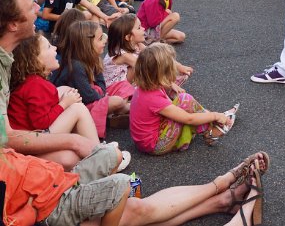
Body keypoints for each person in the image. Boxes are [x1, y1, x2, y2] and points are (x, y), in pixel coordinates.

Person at [2, 148, 269, 226]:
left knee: (135, 211)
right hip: (45, 207)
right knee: (130, 208)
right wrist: (27, 213)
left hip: (54, 186)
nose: (37, 7)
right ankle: (223, 189)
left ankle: (223, 200)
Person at [0, 0, 99, 169]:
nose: (38, 9)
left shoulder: (8, 58)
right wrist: (72, 140)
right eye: (31, 8)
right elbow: (7, 138)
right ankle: (98, 155)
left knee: (62, 92)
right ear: (13, 25)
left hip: (19, 138)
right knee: (69, 154)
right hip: (9, 156)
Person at [130, 43, 238, 154]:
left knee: (183, 100)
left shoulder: (146, 87)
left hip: (145, 141)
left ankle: (213, 122)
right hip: (155, 146)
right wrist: (214, 115)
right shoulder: (154, 98)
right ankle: (211, 131)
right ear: (163, 73)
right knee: (185, 101)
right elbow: (188, 119)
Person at [8, 33, 101, 145]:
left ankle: (87, 142)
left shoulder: (32, 81)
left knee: (65, 90)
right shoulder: (36, 85)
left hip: (28, 135)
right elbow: (40, 123)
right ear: (35, 59)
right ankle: (99, 150)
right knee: (78, 109)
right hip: (33, 139)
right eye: (49, 47)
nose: (55, 47)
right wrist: (64, 104)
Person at [52, 20, 131, 138]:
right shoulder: (76, 67)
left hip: (94, 94)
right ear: (87, 44)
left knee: (122, 85)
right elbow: (89, 96)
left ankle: (117, 113)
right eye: (100, 39)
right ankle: (126, 110)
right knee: (117, 101)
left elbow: (101, 83)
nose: (104, 41)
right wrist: (104, 95)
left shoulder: (91, 58)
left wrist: (102, 92)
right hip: (81, 105)